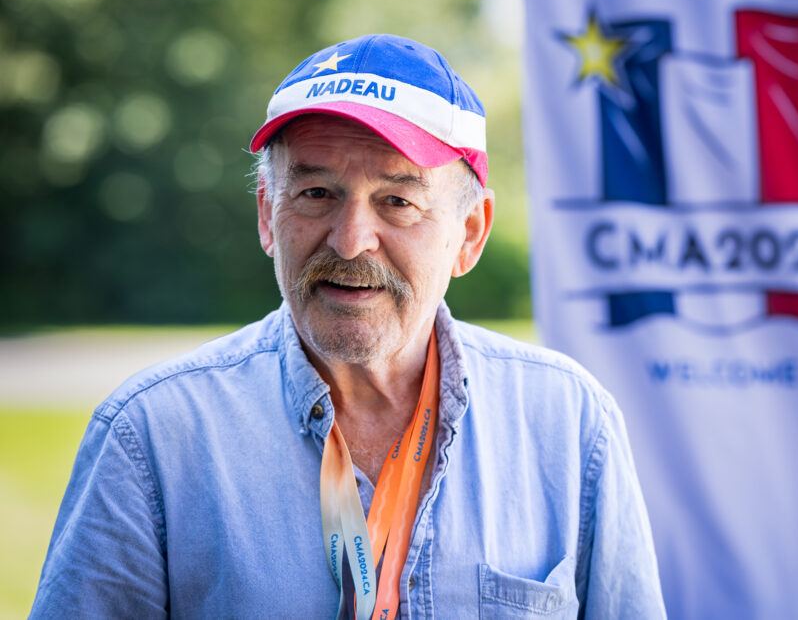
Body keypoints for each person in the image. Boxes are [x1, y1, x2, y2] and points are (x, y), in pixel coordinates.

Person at [30, 34, 666, 619]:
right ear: (265, 215)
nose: (352, 239)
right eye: (315, 194)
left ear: (468, 235)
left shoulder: (568, 422)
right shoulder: (152, 438)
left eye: (397, 200)